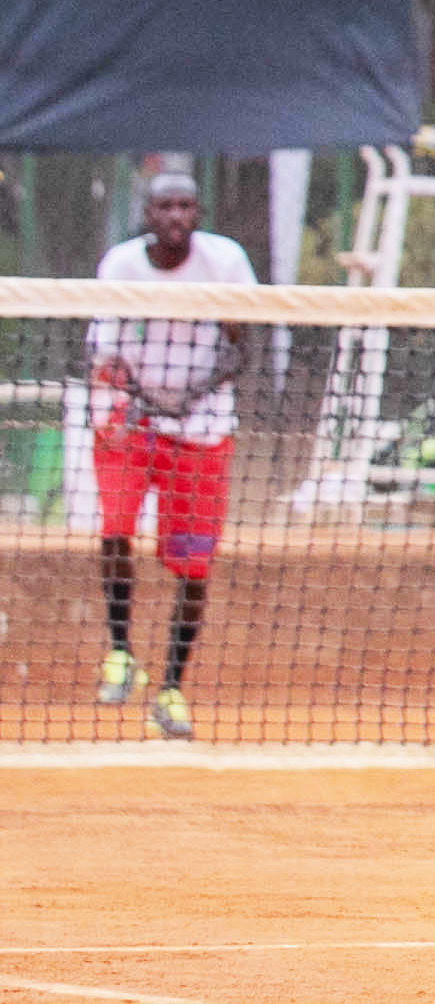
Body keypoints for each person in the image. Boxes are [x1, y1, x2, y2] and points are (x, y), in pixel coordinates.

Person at [89, 168, 253, 742]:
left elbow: (241, 349)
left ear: (198, 214)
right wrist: (138, 397)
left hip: (202, 432)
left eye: (186, 206)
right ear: (147, 214)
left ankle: (171, 689)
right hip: (131, 425)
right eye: (165, 207)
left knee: (194, 567)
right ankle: (119, 651)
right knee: (113, 530)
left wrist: (190, 396)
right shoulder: (120, 266)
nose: (176, 217)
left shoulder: (226, 262)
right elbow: (102, 355)